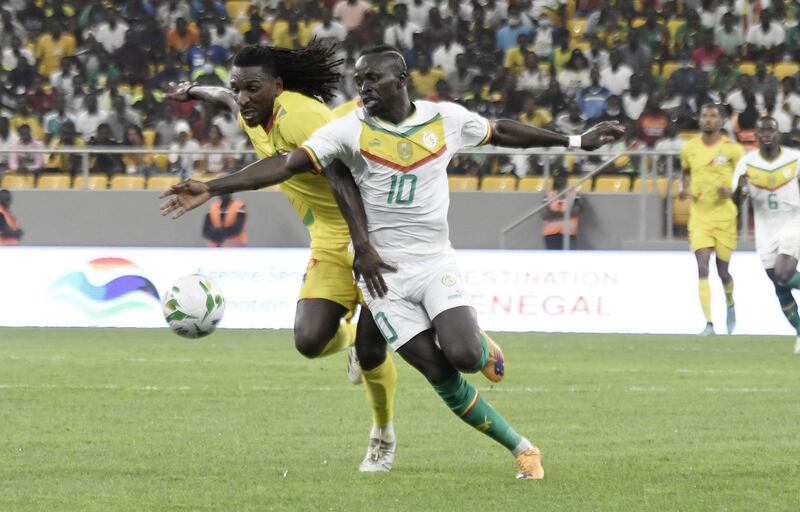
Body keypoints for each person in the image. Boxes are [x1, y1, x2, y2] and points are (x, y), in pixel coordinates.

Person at [159, 44, 624, 479]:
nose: (362, 89)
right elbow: (277, 156)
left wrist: (577, 141)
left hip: (402, 251)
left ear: (402, 79)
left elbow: (495, 130)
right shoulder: (332, 124)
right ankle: (520, 448)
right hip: (360, 253)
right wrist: (196, 101)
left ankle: (445, 369)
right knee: (333, 345)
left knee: (455, 354)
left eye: (372, 80)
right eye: (359, 81)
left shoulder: (417, 119)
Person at [162, 42, 398, 472]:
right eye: (239, 89)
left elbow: (333, 178)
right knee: (309, 342)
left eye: (253, 89)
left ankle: (382, 434)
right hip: (328, 234)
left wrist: (364, 246)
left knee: (373, 350)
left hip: (373, 229)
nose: (243, 97)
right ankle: (350, 345)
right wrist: (195, 91)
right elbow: (225, 96)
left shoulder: (300, 118)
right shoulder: (249, 106)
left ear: (278, 86)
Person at [728, 117, 800, 354]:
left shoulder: (795, 158)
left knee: (783, 272)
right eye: (762, 131)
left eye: (771, 130)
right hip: (764, 228)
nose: (767, 134)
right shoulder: (746, 164)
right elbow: (735, 203)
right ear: (756, 136)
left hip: (792, 221)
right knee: (779, 284)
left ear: (779, 134)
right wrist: (740, 189)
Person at [679, 103, 746, 336]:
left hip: (725, 217)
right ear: (699, 119)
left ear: (722, 121)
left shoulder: (733, 150)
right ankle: (708, 324)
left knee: (723, 272)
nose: (708, 119)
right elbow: (685, 173)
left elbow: (744, 182)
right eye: (705, 115)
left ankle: (730, 303)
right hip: (699, 217)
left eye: (713, 116)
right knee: (702, 266)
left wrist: (733, 192)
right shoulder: (689, 148)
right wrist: (683, 188)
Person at [542, 170, 581, 249]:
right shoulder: (549, 195)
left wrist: (555, 214)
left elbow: (576, 211)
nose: (560, 180)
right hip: (551, 235)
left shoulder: (575, 194)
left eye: (562, 177)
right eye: (558, 177)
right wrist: (565, 213)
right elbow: (544, 214)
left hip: (569, 234)